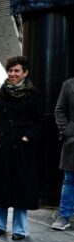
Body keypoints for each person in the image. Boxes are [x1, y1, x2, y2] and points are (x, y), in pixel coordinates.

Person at [0, 56, 45, 240]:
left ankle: (20, 229)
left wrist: (27, 137)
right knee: (0, 187)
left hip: (22, 148)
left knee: (21, 189)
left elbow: (40, 121)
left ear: (25, 73)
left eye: (17, 71)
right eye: (10, 71)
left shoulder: (34, 96)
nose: (13, 74)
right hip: (0, 146)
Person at [51, 77, 74, 230]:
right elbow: (59, 110)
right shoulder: (68, 84)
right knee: (69, 179)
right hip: (73, 140)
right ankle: (64, 216)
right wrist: (68, 133)